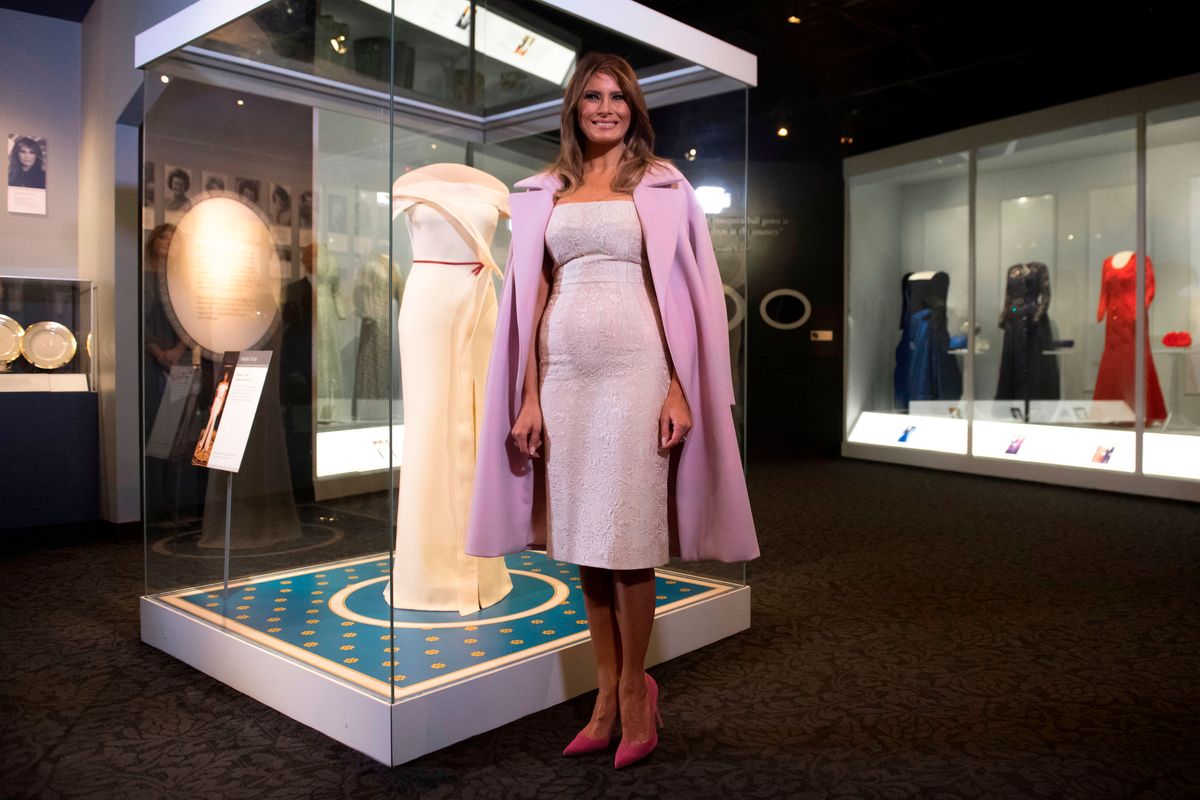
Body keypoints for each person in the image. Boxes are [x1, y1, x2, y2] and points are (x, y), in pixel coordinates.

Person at [466, 52, 758, 769]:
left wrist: (681, 387)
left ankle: (635, 693)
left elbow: (688, 295)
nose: (606, 107)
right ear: (574, 106)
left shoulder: (663, 185)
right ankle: (603, 693)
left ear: (634, 108)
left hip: (637, 373)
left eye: (618, 97)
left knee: (626, 542)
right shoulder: (542, 191)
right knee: (582, 544)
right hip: (563, 378)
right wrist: (529, 395)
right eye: (593, 96)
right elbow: (524, 302)